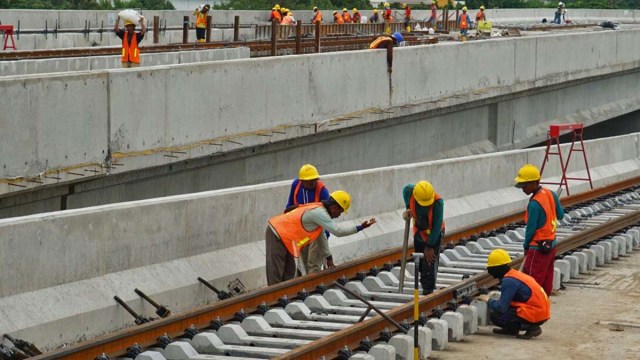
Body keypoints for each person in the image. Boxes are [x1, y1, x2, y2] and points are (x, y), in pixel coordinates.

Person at [266, 190, 377, 285]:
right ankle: (273, 303)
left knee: (288, 273)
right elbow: (338, 231)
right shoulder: (320, 213)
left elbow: (321, 237)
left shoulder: (320, 212)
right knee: (276, 273)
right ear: (334, 207)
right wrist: (360, 227)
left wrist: (329, 258)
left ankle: (283, 298)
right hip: (277, 232)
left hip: (286, 238)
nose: (339, 215)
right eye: (340, 211)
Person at [476, 249, 551, 339]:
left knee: (496, 316)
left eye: (491, 268)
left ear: (497, 268)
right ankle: (511, 330)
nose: (489, 272)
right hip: (540, 311)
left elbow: (501, 307)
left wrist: (488, 299)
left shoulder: (508, 281)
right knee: (506, 311)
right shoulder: (514, 275)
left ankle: (531, 327)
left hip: (536, 313)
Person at [514, 164, 564, 296]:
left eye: (524, 185)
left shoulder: (534, 204)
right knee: (546, 282)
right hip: (551, 246)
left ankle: (533, 309)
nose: (522, 189)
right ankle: (543, 306)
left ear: (534, 183)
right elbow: (560, 215)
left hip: (537, 249)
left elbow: (530, 230)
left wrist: (526, 247)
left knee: (532, 283)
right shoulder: (551, 194)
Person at [285, 164, 331, 275]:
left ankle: (314, 289)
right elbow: (288, 208)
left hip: (317, 233)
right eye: (309, 181)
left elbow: (328, 216)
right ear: (302, 181)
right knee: (304, 265)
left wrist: (325, 238)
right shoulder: (296, 186)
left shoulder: (321, 190)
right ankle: (307, 287)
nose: (312, 183)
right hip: (302, 232)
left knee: (313, 264)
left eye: (314, 180)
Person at [402, 181, 445, 295]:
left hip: (434, 235)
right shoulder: (409, 191)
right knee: (421, 262)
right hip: (419, 232)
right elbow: (406, 194)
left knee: (429, 263)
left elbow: (437, 226)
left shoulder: (438, 203)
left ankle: (428, 291)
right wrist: (408, 208)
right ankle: (424, 283)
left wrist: (430, 246)